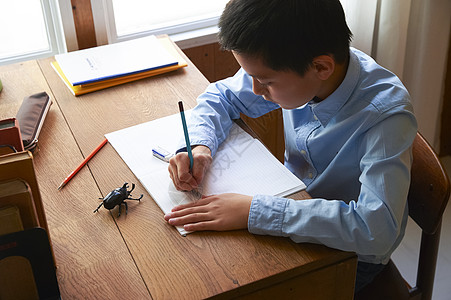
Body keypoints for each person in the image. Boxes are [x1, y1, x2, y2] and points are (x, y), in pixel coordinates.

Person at [165, 0, 417, 292]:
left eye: (265, 81)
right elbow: (221, 97)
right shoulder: (300, 66)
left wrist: (254, 212)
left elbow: (377, 230)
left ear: (321, 67)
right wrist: (199, 146)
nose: (256, 90)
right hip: (291, 206)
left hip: (349, 256)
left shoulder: (385, 117)